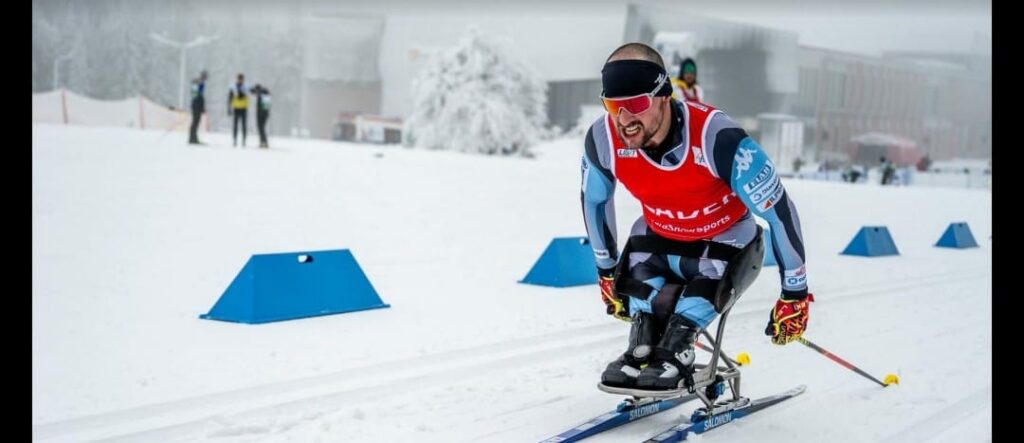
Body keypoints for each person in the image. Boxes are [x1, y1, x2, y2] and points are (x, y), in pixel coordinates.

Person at [581, 43, 812, 391]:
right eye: (614, 106)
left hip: (723, 241)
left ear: (663, 94)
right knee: (641, 283)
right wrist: (605, 270)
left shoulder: (717, 137)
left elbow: (779, 211)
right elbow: (595, 201)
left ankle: (678, 349)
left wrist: (794, 294)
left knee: (698, 294)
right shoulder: (603, 138)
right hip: (659, 239)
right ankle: (641, 346)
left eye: (636, 104)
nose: (624, 120)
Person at [227, 73, 250, 147]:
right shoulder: (233, 87)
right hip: (236, 108)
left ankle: (244, 141)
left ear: (243, 80)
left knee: (244, 125)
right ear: (237, 79)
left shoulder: (246, 87)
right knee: (235, 125)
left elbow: (252, 91)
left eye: (241, 79)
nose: (240, 80)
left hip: (244, 108)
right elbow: (229, 98)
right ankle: (235, 140)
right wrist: (229, 108)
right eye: (239, 79)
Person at [188, 70, 208, 145]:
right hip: (196, 104)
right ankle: (192, 138)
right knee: (195, 121)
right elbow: (198, 95)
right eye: (205, 77)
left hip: (197, 104)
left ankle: (194, 138)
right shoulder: (199, 83)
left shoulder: (200, 83)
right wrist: (201, 106)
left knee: (196, 121)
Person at [252, 83, 271, 149]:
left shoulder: (265, 93)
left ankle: (265, 142)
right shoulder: (260, 93)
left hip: (263, 114)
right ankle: (262, 142)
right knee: (260, 128)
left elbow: (266, 106)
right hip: (260, 113)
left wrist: (263, 113)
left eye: (257, 91)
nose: (256, 93)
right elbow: (252, 91)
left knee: (261, 128)